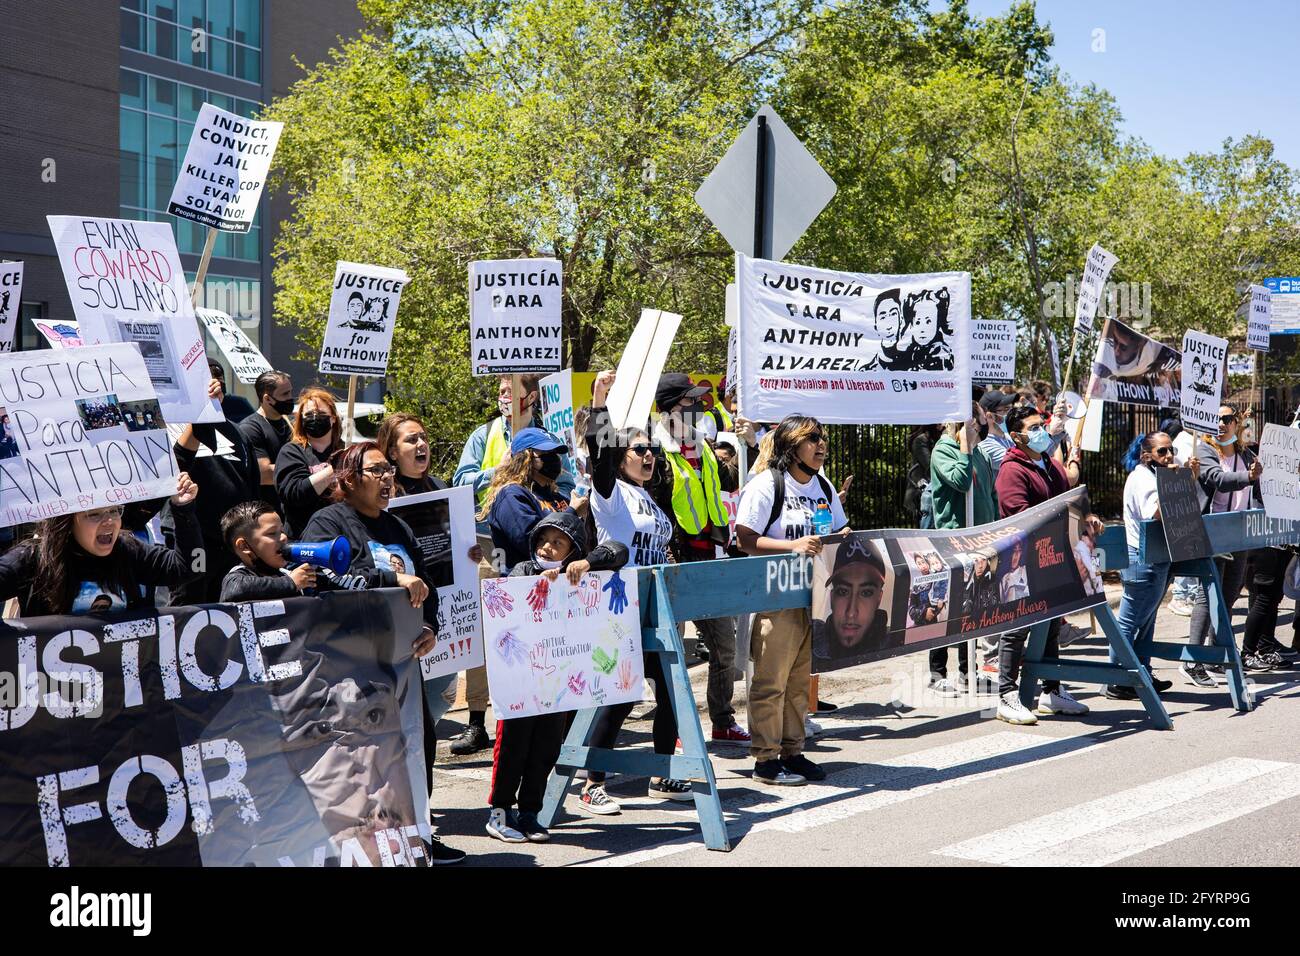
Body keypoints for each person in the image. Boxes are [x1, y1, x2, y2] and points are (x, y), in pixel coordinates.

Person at [485, 510, 629, 844]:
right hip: (522, 682)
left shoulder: (580, 572)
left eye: (558, 543)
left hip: (559, 683)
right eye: (544, 540)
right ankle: (500, 812)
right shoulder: (524, 569)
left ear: (573, 551)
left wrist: (589, 564)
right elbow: (509, 597)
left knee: (547, 748)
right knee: (512, 748)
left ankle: (530, 814)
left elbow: (619, 550)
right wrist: (536, 584)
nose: (548, 548)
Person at [576, 371, 682, 813]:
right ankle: (592, 782)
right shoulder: (611, 494)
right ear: (622, 457)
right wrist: (600, 403)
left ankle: (662, 773)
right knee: (619, 695)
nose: (649, 455)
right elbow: (599, 455)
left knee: (672, 693)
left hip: (656, 608)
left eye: (653, 449)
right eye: (639, 449)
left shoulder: (650, 499)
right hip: (619, 608)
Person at [735, 414, 848, 786]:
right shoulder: (767, 485)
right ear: (790, 446)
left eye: (823, 438)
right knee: (771, 681)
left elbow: (836, 529)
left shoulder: (824, 486)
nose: (821, 446)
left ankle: (793, 752)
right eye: (811, 439)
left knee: (800, 681)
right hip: (776, 598)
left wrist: (844, 536)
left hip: (814, 597)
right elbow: (745, 539)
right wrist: (792, 545)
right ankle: (765, 760)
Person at [651, 373, 749, 743]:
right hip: (673, 563)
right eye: (689, 403)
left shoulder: (703, 445)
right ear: (670, 409)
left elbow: (728, 480)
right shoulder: (653, 451)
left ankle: (722, 720)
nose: (698, 408)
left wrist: (746, 444)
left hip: (710, 559)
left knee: (724, 645)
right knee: (669, 655)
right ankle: (671, 727)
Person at [991, 404, 1088, 724]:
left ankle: (1052, 691)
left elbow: (1067, 497)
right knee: (1017, 629)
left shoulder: (1048, 463)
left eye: (1041, 425)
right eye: (1033, 428)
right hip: (1021, 562)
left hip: (1052, 557)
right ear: (1016, 436)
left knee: (1050, 625)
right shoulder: (1012, 470)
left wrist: (1087, 520)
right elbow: (1019, 515)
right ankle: (1006, 695)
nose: (1040, 431)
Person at [0, 474, 200, 616]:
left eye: (114, 511)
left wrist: (184, 510)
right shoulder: (34, 557)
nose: (109, 521)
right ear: (67, 522)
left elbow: (193, 568)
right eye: (94, 514)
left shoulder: (129, 550)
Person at [1105, 431, 1193, 700]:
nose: (1169, 456)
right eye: (1162, 452)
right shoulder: (1142, 478)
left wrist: (1183, 480)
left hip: (1158, 557)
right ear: (1146, 456)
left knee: (1147, 621)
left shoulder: (1157, 476)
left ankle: (1142, 671)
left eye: (1171, 451)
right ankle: (1116, 677)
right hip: (1141, 559)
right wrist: (1176, 482)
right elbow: (1152, 516)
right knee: (1131, 621)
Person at [1185, 405, 1268, 684]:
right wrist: (1249, 477)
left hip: (1239, 533)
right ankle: (1192, 659)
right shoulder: (1205, 451)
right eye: (1215, 419)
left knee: (1229, 595)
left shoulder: (1246, 455)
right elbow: (1217, 479)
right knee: (1208, 596)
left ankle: (1216, 654)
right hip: (1212, 532)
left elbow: (1260, 489)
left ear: (1237, 423)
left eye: (1226, 419)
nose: (1220, 424)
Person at [165, 374, 261, 605]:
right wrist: (200, 415)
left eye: (218, 376)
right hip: (192, 539)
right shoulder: (168, 426)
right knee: (191, 605)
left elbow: (251, 485)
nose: (214, 383)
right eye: (206, 377)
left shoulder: (237, 431)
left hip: (231, 541)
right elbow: (175, 466)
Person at [926, 401, 996, 696]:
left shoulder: (979, 452)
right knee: (947, 608)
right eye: (976, 422)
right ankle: (937, 673)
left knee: (973, 609)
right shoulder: (944, 450)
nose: (981, 427)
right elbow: (960, 480)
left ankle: (969, 671)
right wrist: (965, 447)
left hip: (980, 542)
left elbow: (989, 495)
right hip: (953, 540)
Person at [453, 374, 575, 506]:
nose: (504, 397)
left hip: (539, 521)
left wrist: (544, 499)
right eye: (501, 392)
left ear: (532, 397)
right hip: (490, 523)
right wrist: (498, 471)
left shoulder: (550, 442)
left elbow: (567, 488)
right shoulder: (483, 435)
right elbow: (460, 483)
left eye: (510, 391)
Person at [479, 427, 572, 570]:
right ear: (525, 459)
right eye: (545, 453)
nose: (553, 458)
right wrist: (573, 512)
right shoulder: (511, 495)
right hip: (525, 584)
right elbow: (532, 542)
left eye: (554, 453)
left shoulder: (555, 496)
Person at [219, 500, 327, 601]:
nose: (284, 537)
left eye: (282, 531)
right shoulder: (237, 577)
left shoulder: (286, 573)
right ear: (244, 546)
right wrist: (291, 583)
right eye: (272, 533)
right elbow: (236, 589)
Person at [275, 388, 345, 538]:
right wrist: (333, 469)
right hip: (305, 539)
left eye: (320, 414)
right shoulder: (291, 452)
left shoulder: (346, 451)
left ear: (333, 418)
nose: (314, 418)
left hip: (341, 535)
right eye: (308, 414)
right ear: (301, 419)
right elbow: (294, 494)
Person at [813, 536, 895, 662]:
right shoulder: (809, 639)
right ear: (831, 597)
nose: (851, 613)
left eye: (866, 593)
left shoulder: (895, 643)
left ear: (879, 599)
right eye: (843, 591)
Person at [239, 370, 295, 512]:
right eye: (284, 394)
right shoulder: (251, 427)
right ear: (267, 399)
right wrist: (305, 469)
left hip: (291, 507)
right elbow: (264, 474)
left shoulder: (289, 423)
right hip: (267, 511)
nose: (290, 398)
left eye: (290, 392)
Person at [377, 412, 451, 496]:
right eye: (412, 439)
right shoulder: (385, 494)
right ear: (393, 453)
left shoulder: (440, 487)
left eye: (423, 437)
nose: (422, 443)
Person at [977, 390, 1017, 476]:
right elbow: (1019, 463)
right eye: (1006, 409)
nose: (1010, 413)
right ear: (989, 416)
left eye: (1010, 408)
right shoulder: (984, 444)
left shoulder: (1006, 436)